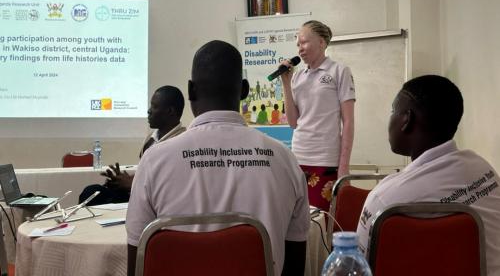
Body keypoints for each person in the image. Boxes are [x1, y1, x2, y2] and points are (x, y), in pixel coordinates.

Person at [126, 40, 310, 276]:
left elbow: (137, 263)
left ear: (191, 91)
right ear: (244, 90)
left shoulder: (154, 161)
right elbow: (295, 266)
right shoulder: (286, 160)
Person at [356, 75, 500, 275]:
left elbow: (358, 268)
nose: (390, 119)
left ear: (407, 119)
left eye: (392, 111)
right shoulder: (484, 169)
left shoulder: (385, 201)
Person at [280, 20, 355, 211]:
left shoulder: (339, 71)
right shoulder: (297, 76)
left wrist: (344, 167)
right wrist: (286, 83)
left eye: (304, 42)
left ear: (321, 43)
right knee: (299, 218)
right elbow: (292, 122)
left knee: (322, 220)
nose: (300, 49)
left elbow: (348, 122)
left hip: (325, 158)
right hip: (299, 155)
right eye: (298, 44)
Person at [79, 86, 185, 204]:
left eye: (154, 107)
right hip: (138, 192)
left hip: (156, 201)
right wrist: (121, 180)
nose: (149, 111)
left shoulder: (182, 142)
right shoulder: (151, 138)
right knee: (91, 192)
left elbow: (171, 184)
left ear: (170, 111)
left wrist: (131, 184)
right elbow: (146, 174)